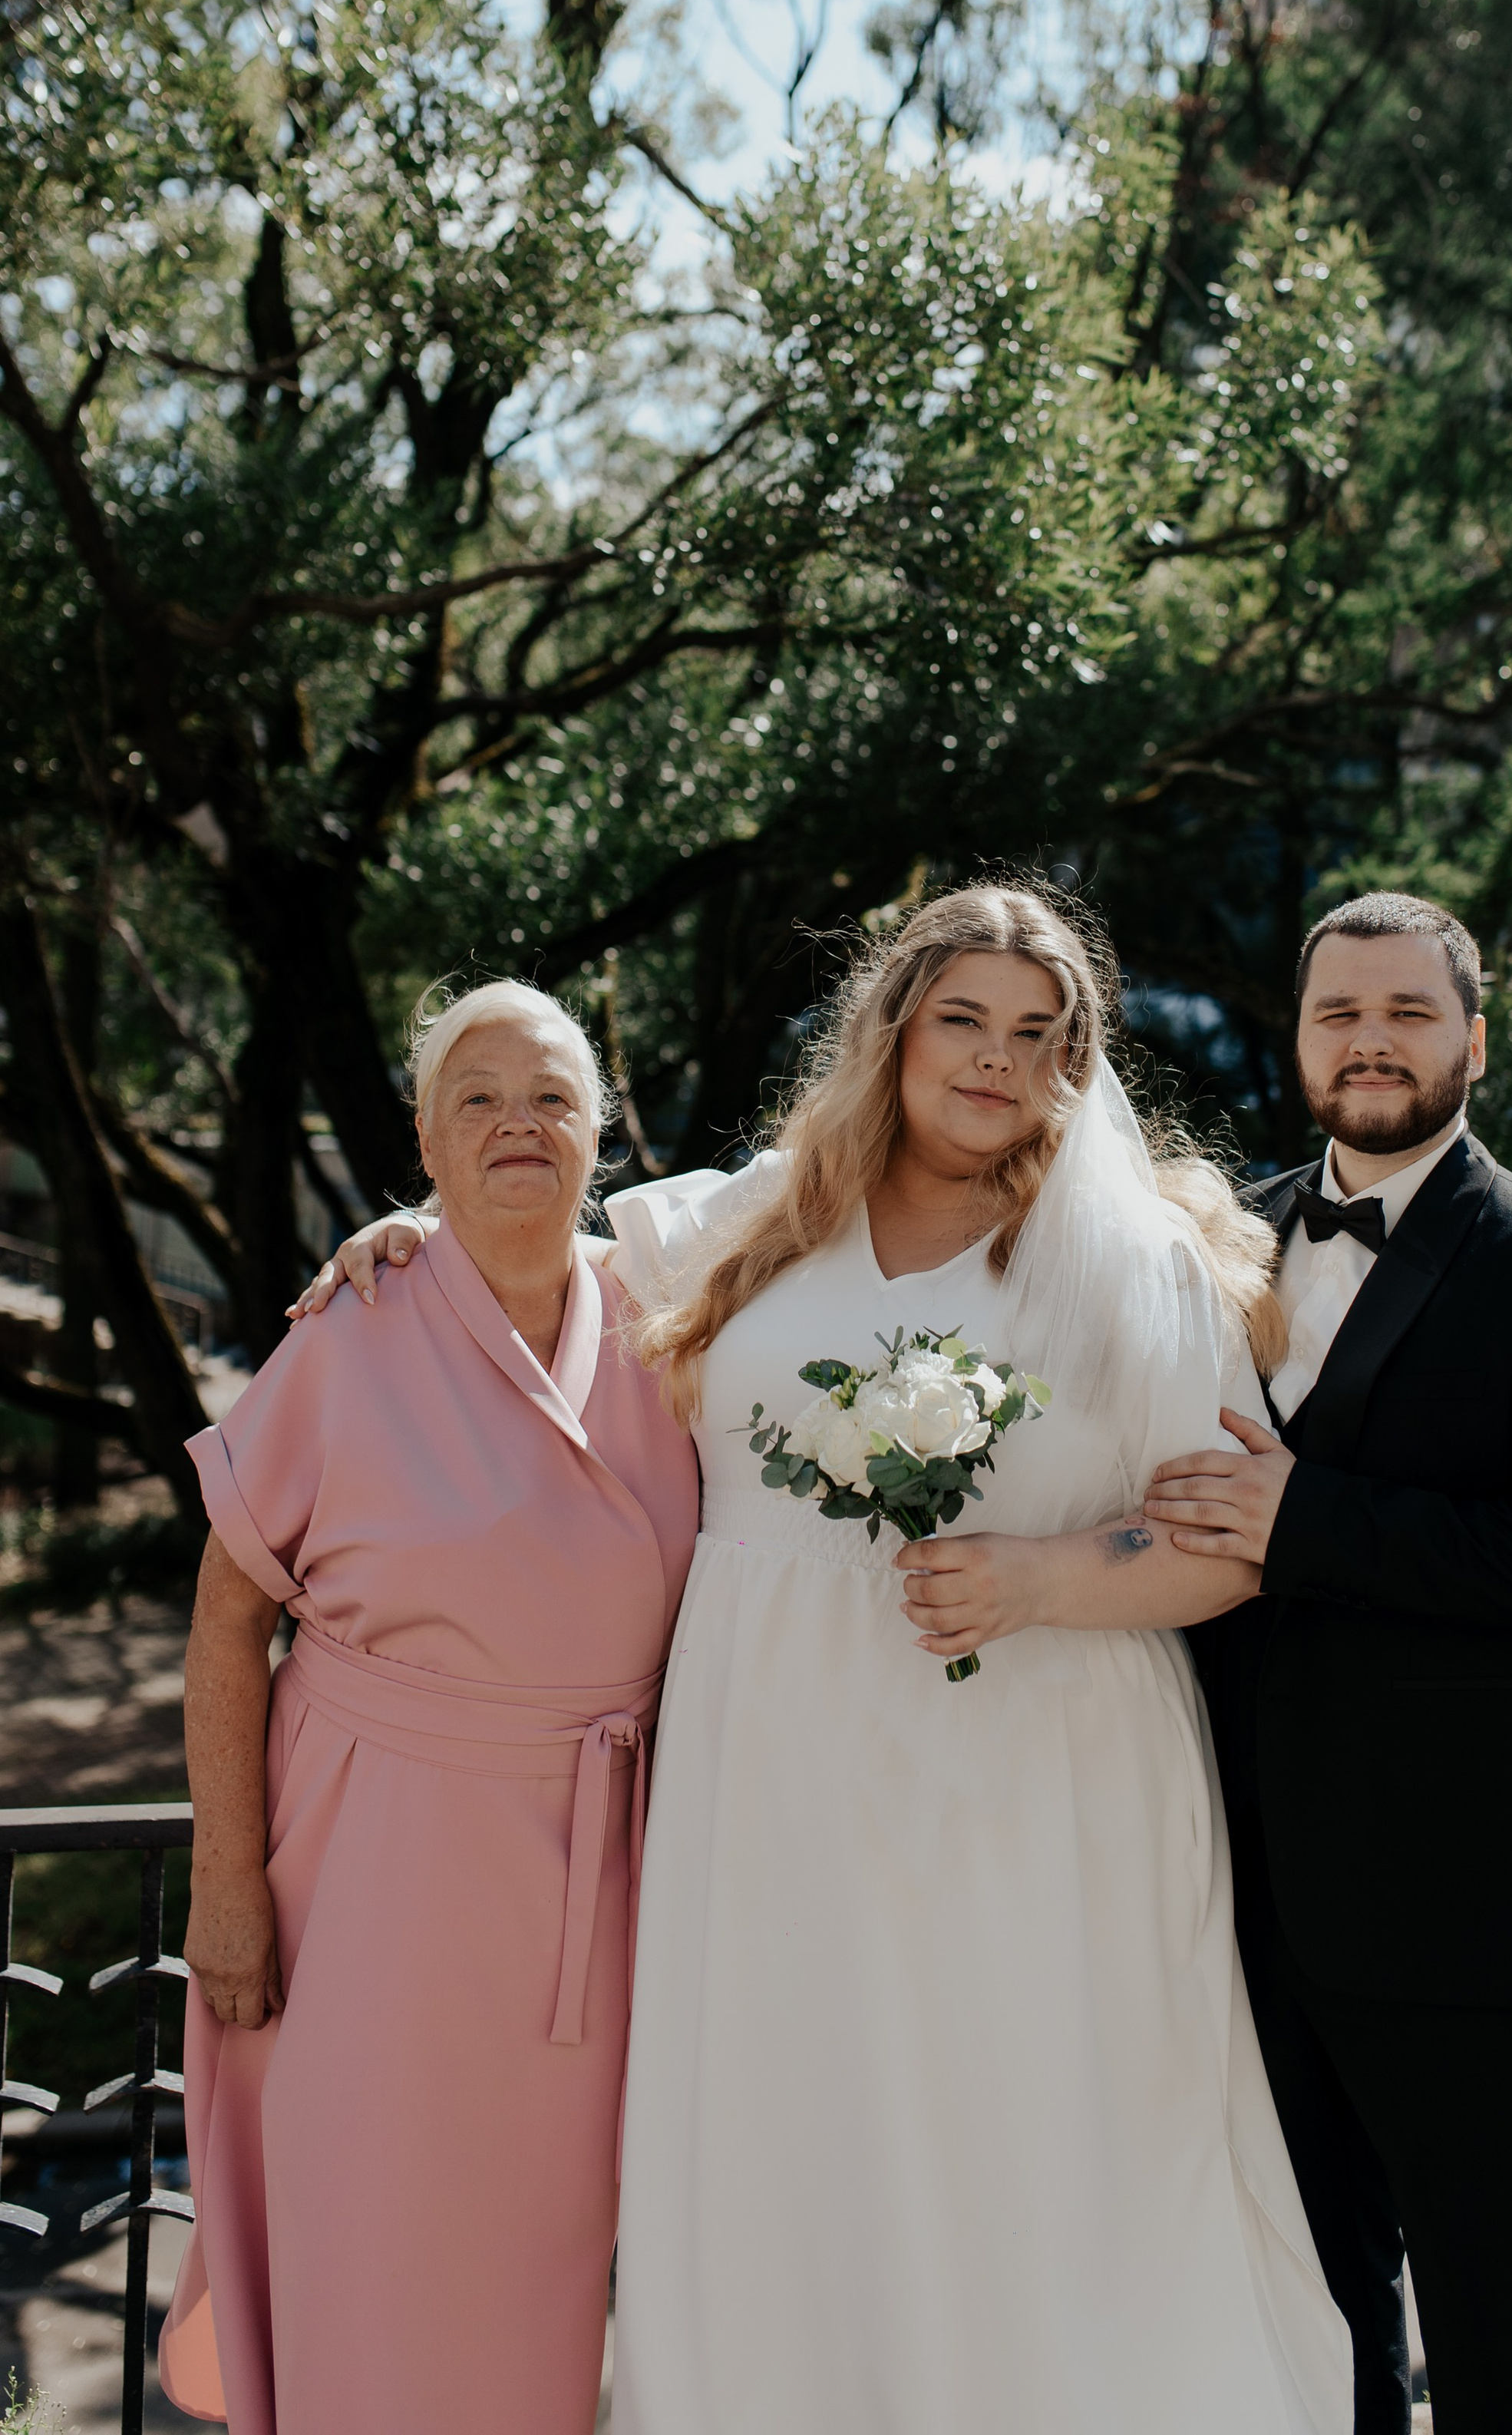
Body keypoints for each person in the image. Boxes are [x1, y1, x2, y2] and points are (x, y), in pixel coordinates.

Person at [310, 887, 1352, 2433]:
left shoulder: (1128, 1267)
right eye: (964, 1021)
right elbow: (544, 1275)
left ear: (1072, 1065)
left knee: (1014, 2158)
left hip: (1034, 1790)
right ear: (893, 1027)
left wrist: (1043, 1575)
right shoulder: (751, 1220)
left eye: (1036, 1034)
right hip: (766, 1792)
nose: (994, 1061)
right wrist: (419, 1225)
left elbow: (1229, 1539)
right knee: (785, 2154)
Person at [1145, 891, 1512, 2435]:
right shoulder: (1214, 1241)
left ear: (1471, 1041)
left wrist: (1317, 1518)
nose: (1369, 1041)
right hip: (1249, 1898)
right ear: (1296, 1039)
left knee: (1509, 2352)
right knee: (1311, 2343)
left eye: (1405, 1012)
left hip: (1472, 1914)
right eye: (1337, 1014)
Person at [158, 983, 699, 2435]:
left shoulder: (679, 1329)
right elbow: (225, 1614)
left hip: (596, 1886)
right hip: (370, 1874)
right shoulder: (351, 1330)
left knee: (545, 2270)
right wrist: (225, 1881)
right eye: (479, 1095)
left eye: (554, 1096)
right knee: (373, 2251)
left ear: (603, 1131)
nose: (519, 1121)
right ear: (423, 1134)